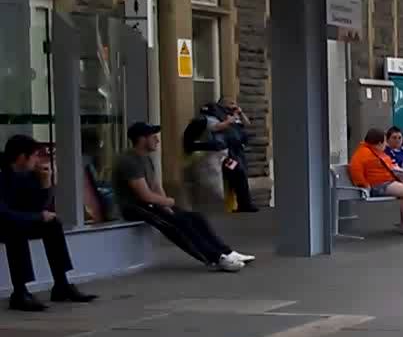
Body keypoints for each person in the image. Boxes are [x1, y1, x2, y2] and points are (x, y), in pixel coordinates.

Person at [113, 123, 251, 271]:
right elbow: (145, 196)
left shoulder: (145, 159)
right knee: (176, 224)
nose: (157, 141)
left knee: (195, 217)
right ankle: (216, 258)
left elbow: (155, 186)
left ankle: (227, 252)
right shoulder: (129, 161)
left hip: (150, 204)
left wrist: (167, 206)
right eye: (153, 137)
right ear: (142, 139)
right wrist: (167, 202)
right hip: (133, 207)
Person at [1, 136, 95, 311]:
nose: (38, 160)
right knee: (14, 229)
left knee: (52, 224)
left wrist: (46, 184)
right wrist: (37, 217)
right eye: (35, 155)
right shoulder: (2, 176)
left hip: (18, 221)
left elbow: (38, 207)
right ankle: (20, 292)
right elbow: (4, 214)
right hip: (5, 223)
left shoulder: (27, 175)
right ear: (22, 157)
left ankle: (61, 284)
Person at [350, 128, 403, 234]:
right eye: (384, 141)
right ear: (379, 143)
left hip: (392, 180)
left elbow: (390, 165)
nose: (386, 144)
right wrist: (364, 185)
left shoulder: (377, 151)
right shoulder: (362, 154)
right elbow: (356, 171)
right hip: (379, 184)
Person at [211, 99, 257, 212]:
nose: (233, 106)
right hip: (226, 156)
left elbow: (247, 124)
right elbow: (215, 127)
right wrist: (229, 120)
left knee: (242, 174)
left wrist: (240, 113)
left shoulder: (235, 117)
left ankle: (244, 203)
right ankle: (244, 204)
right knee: (238, 172)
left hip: (238, 153)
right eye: (230, 103)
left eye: (234, 103)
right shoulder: (219, 117)